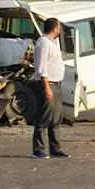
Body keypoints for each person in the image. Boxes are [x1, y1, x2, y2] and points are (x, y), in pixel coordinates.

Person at [30, 18, 69, 158]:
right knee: (44, 117)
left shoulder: (53, 42)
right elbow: (42, 67)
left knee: (56, 118)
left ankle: (55, 148)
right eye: (59, 27)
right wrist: (46, 87)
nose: (60, 30)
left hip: (56, 83)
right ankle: (38, 149)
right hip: (48, 84)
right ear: (54, 28)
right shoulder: (43, 43)